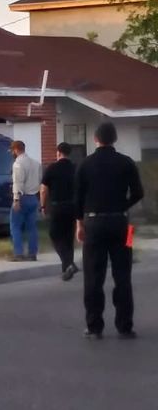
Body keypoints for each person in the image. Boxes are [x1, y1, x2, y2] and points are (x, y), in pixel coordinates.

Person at [76, 122, 144, 340]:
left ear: (96, 139)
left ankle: (94, 326)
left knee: (93, 277)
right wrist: (122, 206)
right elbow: (138, 193)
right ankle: (125, 326)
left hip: (93, 223)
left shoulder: (85, 164)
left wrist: (80, 224)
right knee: (123, 276)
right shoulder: (126, 163)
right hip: (123, 224)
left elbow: (77, 199)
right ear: (114, 139)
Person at [40, 142, 79, 280]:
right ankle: (66, 269)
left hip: (57, 207)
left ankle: (68, 264)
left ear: (58, 152)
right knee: (68, 238)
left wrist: (43, 206)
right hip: (73, 207)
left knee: (55, 235)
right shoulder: (76, 168)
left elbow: (44, 189)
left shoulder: (52, 168)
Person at [10, 140, 41, 261]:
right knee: (32, 227)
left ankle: (18, 253)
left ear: (16, 149)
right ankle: (32, 253)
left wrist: (16, 199)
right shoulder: (36, 163)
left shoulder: (18, 164)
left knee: (15, 226)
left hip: (22, 198)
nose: (12, 153)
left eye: (12, 151)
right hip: (34, 197)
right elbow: (39, 180)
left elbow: (18, 182)